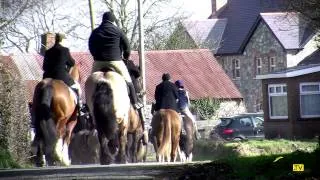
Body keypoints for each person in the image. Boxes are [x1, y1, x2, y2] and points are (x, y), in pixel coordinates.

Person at [88, 11, 142, 110]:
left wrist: (95, 56)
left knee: (90, 81)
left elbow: (90, 46)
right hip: (115, 61)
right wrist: (125, 56)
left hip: (98, 62)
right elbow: (127, 46)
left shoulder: (95, 32)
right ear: (112, 20)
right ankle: (135, 102)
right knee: (128, 80)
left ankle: (87, 106)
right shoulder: (118, 31)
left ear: (103, 20)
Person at [42, 33, 83, 115]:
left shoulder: (48, 51)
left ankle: (34, 111)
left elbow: (44, 67)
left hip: (47, 78)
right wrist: (66, 69)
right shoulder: (65, 50)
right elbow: (72, 62)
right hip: (60, 76)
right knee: (77, 87)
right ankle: (79, 109)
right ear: (62, 40)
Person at [124, 58, 147, 145]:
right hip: (132, 92)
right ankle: (145, 131)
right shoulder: (129, 63)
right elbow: (137, 74)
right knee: (140, 108)